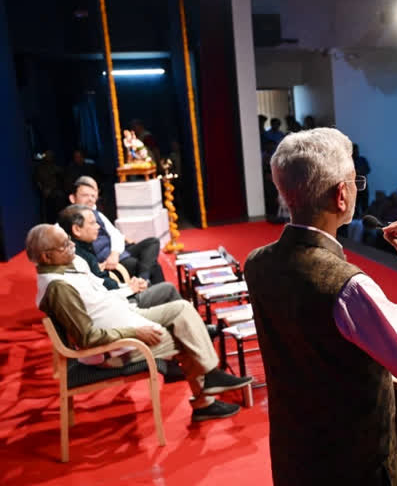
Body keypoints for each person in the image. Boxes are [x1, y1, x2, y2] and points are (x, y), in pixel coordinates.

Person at [244, 127, 397, 485]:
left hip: (295, 455)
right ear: (342, 195)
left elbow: (311, 332)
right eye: (356, 181)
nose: (357, 188)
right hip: (352, 466)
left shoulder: (257, 262)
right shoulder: (348, 287)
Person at [27, 224, 252, 422]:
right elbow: (88, 338)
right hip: (115, 350)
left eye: (68, 241)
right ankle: (205, 400)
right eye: (64, 245)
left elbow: (101, 295)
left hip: (130, 319)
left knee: (182, 309)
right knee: (185, 333)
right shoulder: (58, 288)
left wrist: (128, 292)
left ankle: (209, 379)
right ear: (46, 257)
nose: (72, 247)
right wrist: (134, 331)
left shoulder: (70, 266)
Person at [57, 204, 181, 308]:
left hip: (117, 293)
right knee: (168, 289)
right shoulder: (78, 257)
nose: (98, 226)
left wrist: (129, 286)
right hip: (117, 307)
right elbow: (101, 293)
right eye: (93, 223)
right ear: (77, 229)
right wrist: (130, 289)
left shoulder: (83, 248)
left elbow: (101, 282)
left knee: (152, 246)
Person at [69, 176, 165, 284]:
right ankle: (145, 284)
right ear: (73, 198)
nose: (90, 199)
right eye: (85, 195)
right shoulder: (68, 221)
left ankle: (142, 280)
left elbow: (115, 235)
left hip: (117, 252)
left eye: (93, 195)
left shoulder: (97, 214)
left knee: (152, 242)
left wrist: (115, 252)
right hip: (106, 261)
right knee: (153, 266)